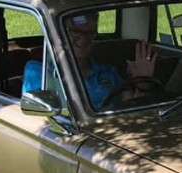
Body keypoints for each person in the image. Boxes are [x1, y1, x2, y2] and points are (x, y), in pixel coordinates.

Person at [22, 12, 157, 109]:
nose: (83, 39)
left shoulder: (107, 71)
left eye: (89, 33)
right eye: (75, 31)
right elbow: (42, 115)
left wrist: (143, 82)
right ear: (60, 34)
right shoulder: (39, 72)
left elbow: (131, 106)